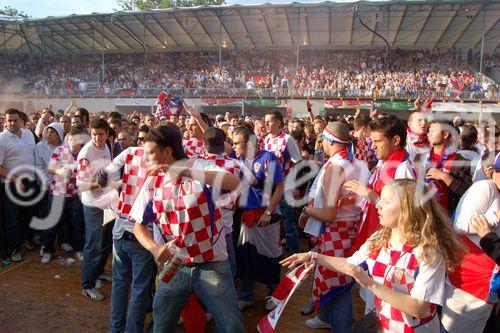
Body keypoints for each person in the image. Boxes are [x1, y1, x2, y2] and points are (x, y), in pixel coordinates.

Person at [282, 179, 464, 333]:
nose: (379, 205)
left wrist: (370, 284)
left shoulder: (429, 251)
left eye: (387, 201)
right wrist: (313, 257)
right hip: (382, 325)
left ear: (407, 209)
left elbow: (418, 308)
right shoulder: (380, 237)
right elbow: (351, 265)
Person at [129, 124, 246, 333]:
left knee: (232, 326)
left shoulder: (201, 166)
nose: (145, 158)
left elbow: (234, 181)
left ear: (167, 152)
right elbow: (138, 226)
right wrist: (154, 249)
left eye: (150, 153)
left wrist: (185, 171)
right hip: (175, 264)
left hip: (213, 264)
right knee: (161, 325)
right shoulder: (152, 182)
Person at [299, 122, 370, 331]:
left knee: (338, 285)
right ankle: (325, 317)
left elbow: (329, 214)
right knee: (337, 278)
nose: (321, 142)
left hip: (336, 231)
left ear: (330, 140)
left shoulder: (336, 168)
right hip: (352, 229)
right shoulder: (359, 163)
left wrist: (306, 211)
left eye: (323, 138)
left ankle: (341, 326)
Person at [441, 152, 500, 333]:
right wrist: (493, 218)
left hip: (486, 281)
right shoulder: (485, 188)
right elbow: (458, 225)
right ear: (493, 171)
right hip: (468, 279)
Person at [105, 128, 154, 333]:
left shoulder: (130, 153)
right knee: (139, 288)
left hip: (120, 229)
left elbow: (106, 173)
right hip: (141, 233)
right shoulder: (161, 165)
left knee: (119, 283)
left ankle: (116, 328)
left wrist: (115, 186)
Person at [231, 126, 284, 312]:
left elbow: (280, 187)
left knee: (270, 256)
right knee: (247, 255)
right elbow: (213, 140)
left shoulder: (268, 158)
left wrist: (268, 212)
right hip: (247, 217)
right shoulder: (237, 159)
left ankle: (275, 293)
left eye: (237, 142)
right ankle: (246, 295)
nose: (234, 146)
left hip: (265, 216)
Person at [77, 118, 113, 301]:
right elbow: (80, 185)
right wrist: (96, 184)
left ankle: (98, 272)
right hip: (92, 205)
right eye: (94, 134)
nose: (98, 138)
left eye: (101, 134)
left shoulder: (106, 147)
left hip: (106, 202)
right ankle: (87, 285)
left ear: (107, 133)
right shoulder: (86, 153)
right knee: (93, 246)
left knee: (106, 242)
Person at [40, 127, 86, 263]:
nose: (72, 142)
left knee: (77, 223)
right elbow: (50, 167)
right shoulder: (60, 150)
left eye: (75, 140)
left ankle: (79, 249)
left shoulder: (84, 153)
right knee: (52, 223)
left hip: (75, 194)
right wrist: (59, 171)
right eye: (70, 139)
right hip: (57, 192)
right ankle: (48, 250)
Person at [0, 108, 37, 262]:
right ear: (5, 121)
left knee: (29, 214)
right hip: (11, 184)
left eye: (16, 120)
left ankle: (28, 239)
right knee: (12, 218)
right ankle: (15, 248)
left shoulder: (28, 134)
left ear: (21, 120)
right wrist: (16, 180)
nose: (13, 123)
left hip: (30, 181)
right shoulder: (1, 139)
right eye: (10, 120)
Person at [264, 110, 302, 253]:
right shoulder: (266, 139)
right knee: (274, 221)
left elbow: (298, 163)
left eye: (269, 122)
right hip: (270, 187)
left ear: (278, 122)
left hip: (285, 186)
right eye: (265, 121)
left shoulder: (288, 139)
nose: (266, 124)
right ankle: (275, 251)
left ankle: (295, 255)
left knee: (288, 224)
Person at [424, 119, 472, 214]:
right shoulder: (421, 157)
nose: (429, 134)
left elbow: (467, 191)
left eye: (433, 131)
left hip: (448, 216)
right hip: (425, 212)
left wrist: (444, 176)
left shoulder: (459, 160)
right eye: (429, 131)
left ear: (445, 134)